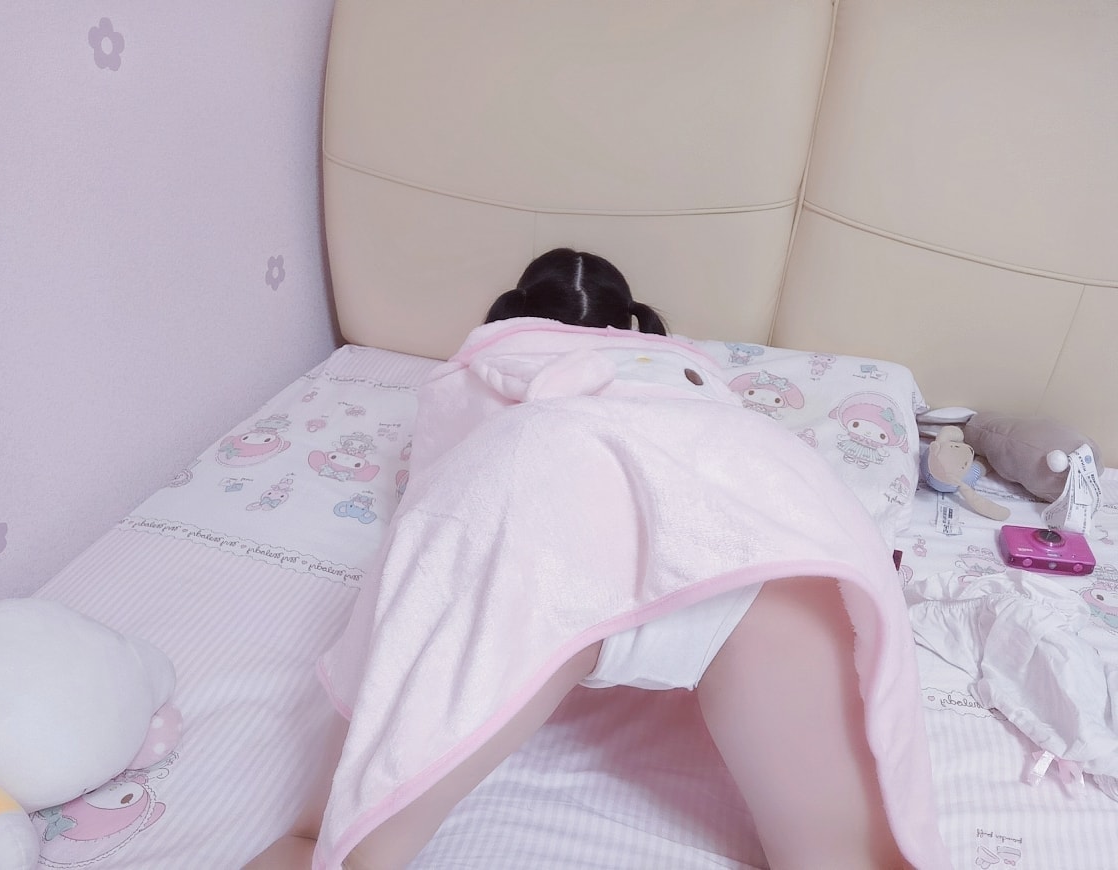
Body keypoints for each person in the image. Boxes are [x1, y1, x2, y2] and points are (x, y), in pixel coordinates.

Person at [247, 249, 947, 870]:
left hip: (545, 527)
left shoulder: (480, 366)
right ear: (632, 324)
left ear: (515, 315)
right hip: (750, 538)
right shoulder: (699, 379)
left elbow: (438, 494)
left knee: (329, 847)